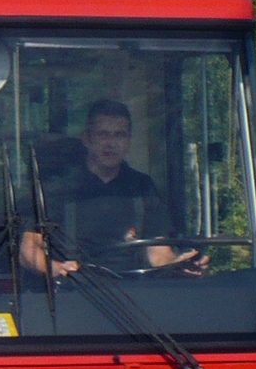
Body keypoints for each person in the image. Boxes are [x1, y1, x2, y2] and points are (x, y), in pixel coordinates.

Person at [20, 99, 207, 277]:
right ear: (87, 138)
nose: (111, 143)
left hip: (136, 295)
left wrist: (178, 264)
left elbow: (158, 252)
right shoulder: (57, 189)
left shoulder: (142, 187)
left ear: (129, 141)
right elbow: (28, 251)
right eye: (103, 134)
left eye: (119, 135)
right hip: (73, 292)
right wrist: (56, 268)